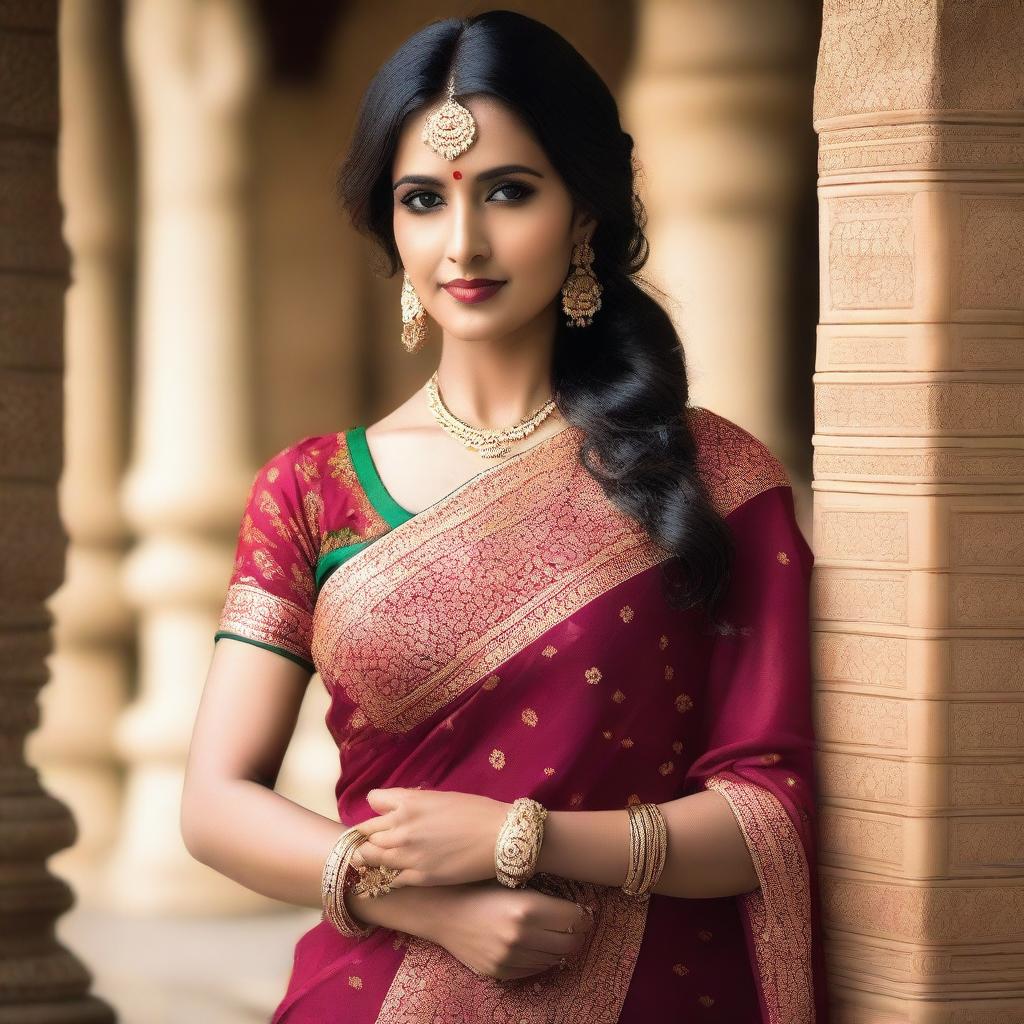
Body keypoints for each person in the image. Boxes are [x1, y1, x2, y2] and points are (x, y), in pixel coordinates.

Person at [181, 9, 829, 1022]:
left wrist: (520, 838)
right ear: (388, 223)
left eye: (509, 192)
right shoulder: (310, 490)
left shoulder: (712, 475)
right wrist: (420, 900)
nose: (464, 241)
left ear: (581, 218)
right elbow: (215, 803)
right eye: (422, 200)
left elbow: (773, 813)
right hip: (367, 992)